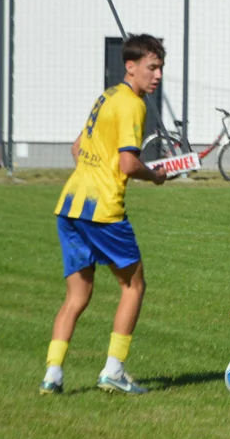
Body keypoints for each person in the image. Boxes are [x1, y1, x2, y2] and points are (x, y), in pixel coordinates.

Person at [40, 34, 169, 396]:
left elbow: (77, 147)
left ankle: (53, 375)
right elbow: (128, 163)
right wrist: (155, 176)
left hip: (69, 206)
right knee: (134, 285)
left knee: (77, 297)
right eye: (151, 67)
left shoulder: (106, 96)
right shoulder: (132, 104)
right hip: (102, 211)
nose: (157, 75)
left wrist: (95, 173)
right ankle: (114, 370)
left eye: (160, 68)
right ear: (130, 67)